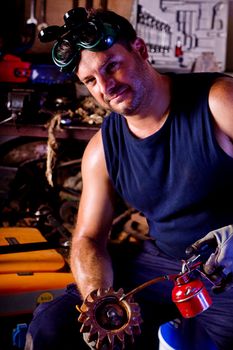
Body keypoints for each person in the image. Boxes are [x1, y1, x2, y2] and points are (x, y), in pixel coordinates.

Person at [25, 7, 233, 350]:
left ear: (140, 50)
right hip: (164, 264)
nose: (105, 86)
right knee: (52, 326)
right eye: (90, 81)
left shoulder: (218, 103)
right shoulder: (101, 150)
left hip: (226, 271)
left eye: (111, 66)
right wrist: (101, 304)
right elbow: (88, 239)